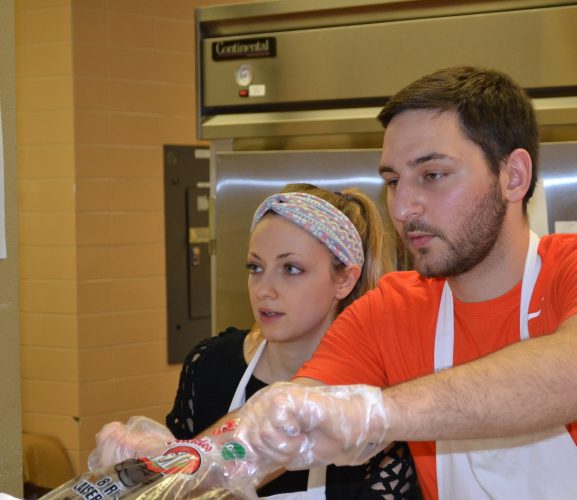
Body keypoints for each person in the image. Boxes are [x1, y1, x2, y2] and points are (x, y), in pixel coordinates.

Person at [93, 67, 577, 499]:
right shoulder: (392, 310)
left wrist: (379, 413)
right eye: (394, 181)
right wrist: (168, 467)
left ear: (514, 175)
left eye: (433, 175)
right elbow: (276, 427)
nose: (404, 209)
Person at [90, 184, 421, 499]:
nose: (264, 289)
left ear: (345, 279)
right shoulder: (209, 367)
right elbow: (178, 486)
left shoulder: (369, 407)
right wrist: (142, 465)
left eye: (291, 269)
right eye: (255, 267)